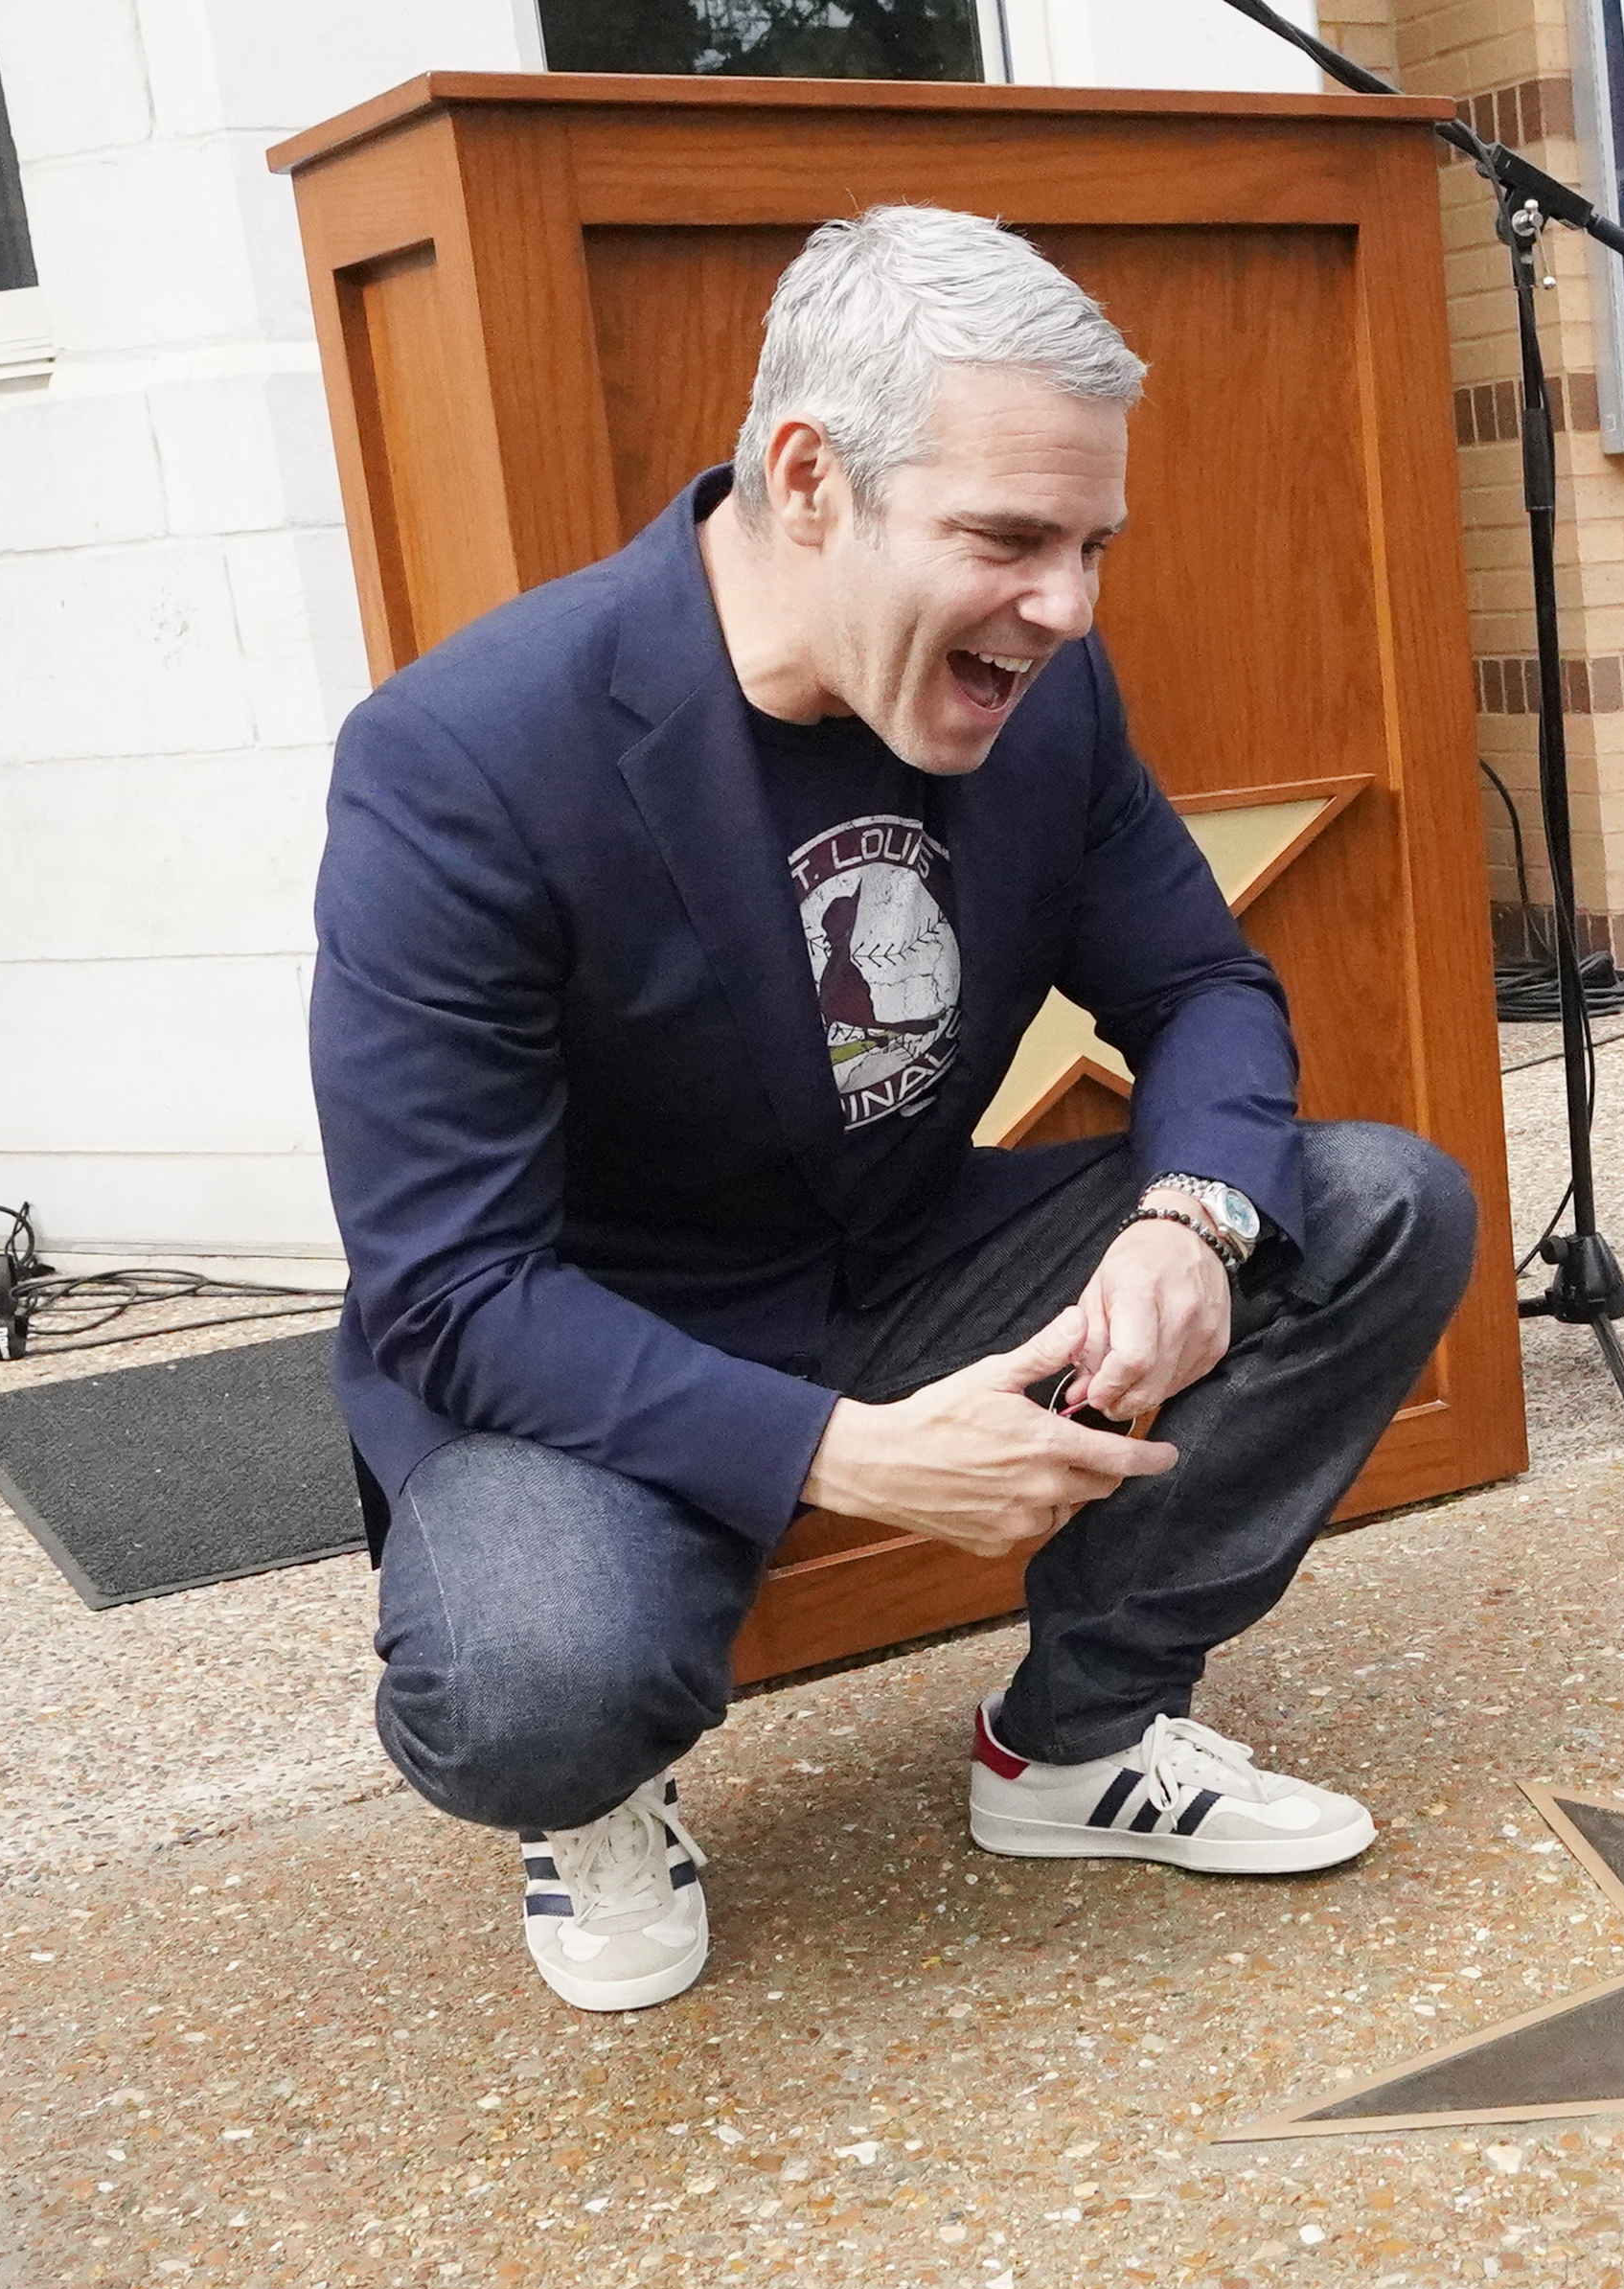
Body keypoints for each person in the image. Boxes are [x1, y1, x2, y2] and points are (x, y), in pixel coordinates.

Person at [311, 206, 1477, 2016]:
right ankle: (601, 1798)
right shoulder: (465, 759)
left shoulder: (1046, 685)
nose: (1070, 606)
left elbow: (1200, 990)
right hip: (600, 1344)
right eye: (1010, 538)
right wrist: (841, 1456)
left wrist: (1190, 1219)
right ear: (806, 478)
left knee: (1376, 1203)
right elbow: (449, 1287)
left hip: (908, 1253)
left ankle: (1080, 1746)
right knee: (532, 1686)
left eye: (1091, 543)